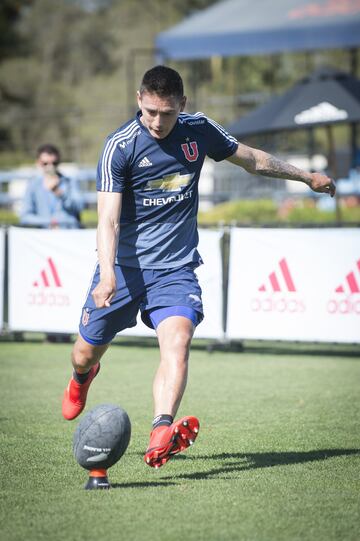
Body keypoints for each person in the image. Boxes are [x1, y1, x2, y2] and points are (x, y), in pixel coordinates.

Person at [62, 65, 336, 468]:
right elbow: (108, 219)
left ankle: (161, 429)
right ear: (139, 100)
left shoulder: (199, 129)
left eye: (167, 113)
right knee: (83, 353)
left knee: (179, 340)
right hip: (122, 269)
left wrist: (306, 176)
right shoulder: (119, 146)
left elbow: (253, 160)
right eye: (150, 111)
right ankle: (83, 377)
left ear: (182, 105)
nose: (157, 121)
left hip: (175, 268)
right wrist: (106, 274)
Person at [20, 144, 84, 229]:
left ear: (59, 162)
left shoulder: (69, 182)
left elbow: (79, 207)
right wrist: (50, 221)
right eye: (45, 163)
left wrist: (58, 192)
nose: (50, 167)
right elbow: (25, 217)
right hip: (43, 236)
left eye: (54, 163)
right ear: (38, 163)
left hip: (68, 234)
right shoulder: (33, 185)